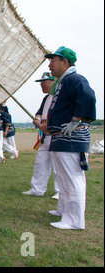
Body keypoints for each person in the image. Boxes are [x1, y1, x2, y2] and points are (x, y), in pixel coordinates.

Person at [45, 46, 96, 230]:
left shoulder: (75, 79)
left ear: (65, 62)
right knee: (63, 179)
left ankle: (74, 220)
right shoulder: (62, 82)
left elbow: (88, 97)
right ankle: (64, 210)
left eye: (53, 60)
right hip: (61, 139)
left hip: (71, 139)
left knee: (72, 179)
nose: (50, 64)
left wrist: (76, 120)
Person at [22, 72, 60, 199]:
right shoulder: (46, 98)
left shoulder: (58, 97)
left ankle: (59, 191)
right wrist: (38, 122)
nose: (41, 86)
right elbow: (39, 113)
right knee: (40, 163)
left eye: (43, 83)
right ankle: (37, 189)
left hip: (55, 135)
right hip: (44, 136)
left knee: (57, 165)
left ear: (51, 82)